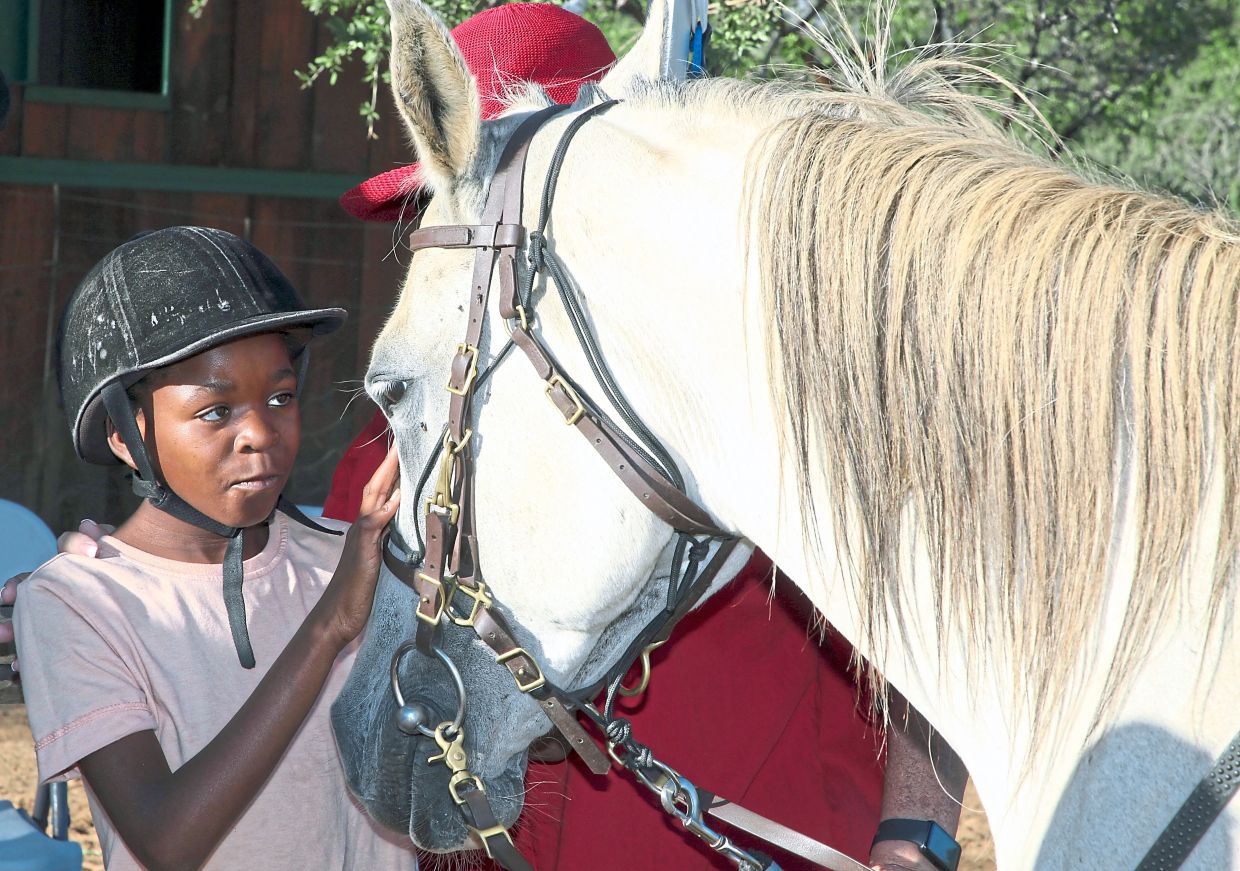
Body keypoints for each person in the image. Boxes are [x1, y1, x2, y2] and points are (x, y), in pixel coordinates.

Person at [4, 6, 966, 870]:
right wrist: (110, 573)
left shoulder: (785, 425)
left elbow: (951, 619)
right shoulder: (385, 474)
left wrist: (914, 835)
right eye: (430, 210)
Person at [12, 226, 415, 871]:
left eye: (280, 397)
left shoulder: (355, 559)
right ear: (126, 434)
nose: (260, 432)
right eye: (214, 411)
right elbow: (166, 840)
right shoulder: (76, 602)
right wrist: (330, 626)